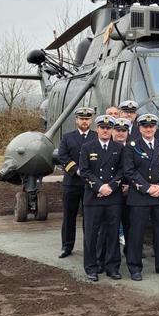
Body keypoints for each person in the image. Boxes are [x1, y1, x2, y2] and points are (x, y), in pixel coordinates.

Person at [123, 113, 159, 281]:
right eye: (145, 126)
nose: (148, 129)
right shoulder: (132, 146)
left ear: (156, 128)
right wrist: (147, 188)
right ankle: (135, 268)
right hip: (140, 196)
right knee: (136, 233)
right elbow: (129, 171)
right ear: (140, 128)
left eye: (151, 126)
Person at [79, 115, 125, 281]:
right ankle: (91, 267)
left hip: (113, 198)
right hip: (93, 198)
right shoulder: (87, 147)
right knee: (91, 234)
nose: (105, 130)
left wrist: (110, 187)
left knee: (112, 234)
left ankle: (112, 267)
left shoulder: (118, 148)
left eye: (108, 128)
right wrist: (99, 187)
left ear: (112, 129)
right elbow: (84, 171)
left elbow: (122, 171)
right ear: (97, 129)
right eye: (102, 127)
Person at [57, 106, 96, 259]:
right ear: (76, 120)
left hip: (90, 184)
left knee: (90, 218)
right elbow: (63, 156)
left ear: (91, 120)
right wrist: (77, 170)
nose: (84, 121)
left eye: (87, 119)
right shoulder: (67, 137)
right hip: (72, 183)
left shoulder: (95, 136)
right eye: (81, 118)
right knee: (69, 216)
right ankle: (67, 246)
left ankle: (89, 246)